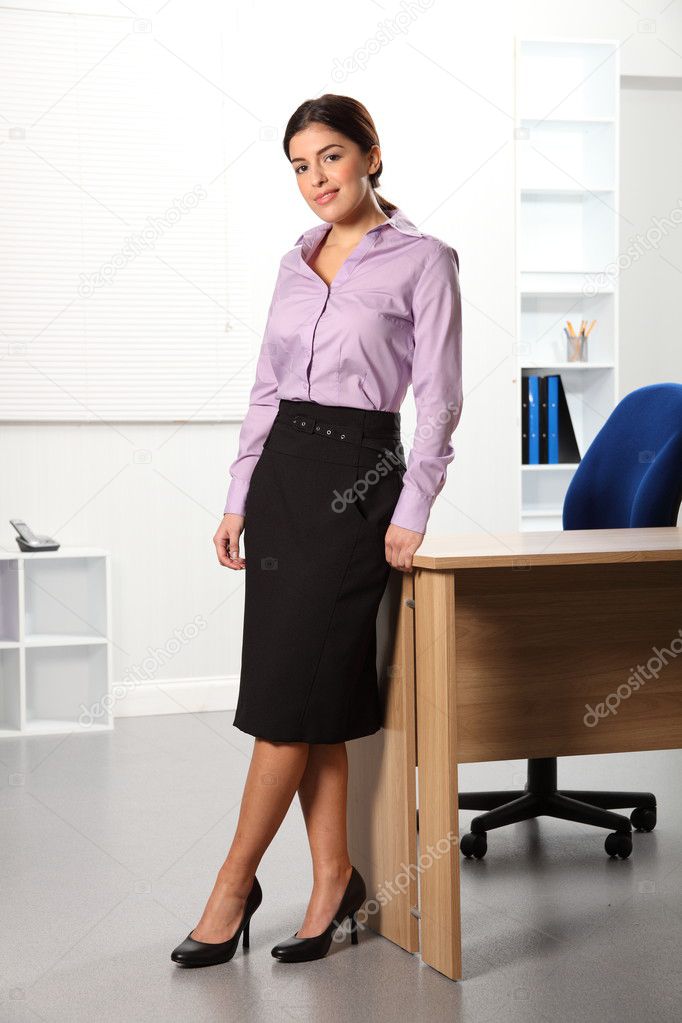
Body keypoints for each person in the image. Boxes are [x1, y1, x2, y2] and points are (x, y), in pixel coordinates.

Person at [171, 93, 463, 968]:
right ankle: (334, 875)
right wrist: (236, 496)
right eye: (299, 166)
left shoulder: (424, 258)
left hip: (361, 478)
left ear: (372, 154)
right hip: (282, 479)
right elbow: (266, 388)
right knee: (309, 700)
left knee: (284, 707)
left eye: (330, 157)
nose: (315, 180)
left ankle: (233, 887)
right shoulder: (294, 263)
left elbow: (440, 399)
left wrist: (412, 507)